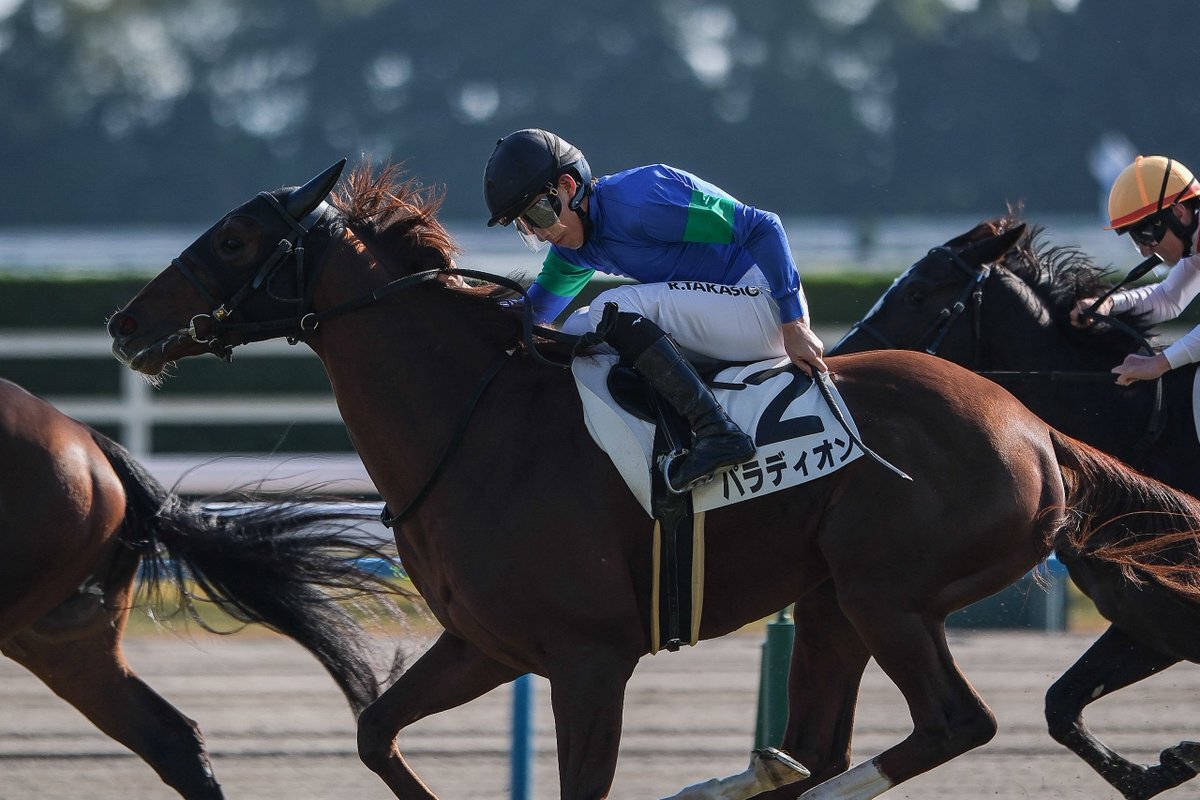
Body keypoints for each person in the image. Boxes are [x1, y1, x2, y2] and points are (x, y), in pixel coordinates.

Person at [483, 128, 826, 494]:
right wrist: (460, 311)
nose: (537, 234)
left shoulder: (641, 200)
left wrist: (794, 323)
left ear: (567, 186)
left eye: (536, 214)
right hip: (728, 318)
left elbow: (763, 227)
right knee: (577, 331)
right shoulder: (574, 248)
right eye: (523, 226)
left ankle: (718, 433)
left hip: (764, 306)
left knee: (610, 308)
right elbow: (530, 315)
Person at [1071, 155, 1200, 386]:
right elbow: (1169, 299)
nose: (1145, 252)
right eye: (1135, 240)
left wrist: (1161, 362)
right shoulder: (1193, 244)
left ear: (1179, 213)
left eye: (1145, 235)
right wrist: (1109, 304)